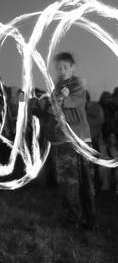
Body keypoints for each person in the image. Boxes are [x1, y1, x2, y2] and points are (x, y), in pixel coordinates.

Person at [50, 52, 95, 230]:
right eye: (58, 68)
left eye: (65, 67)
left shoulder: (78, 85)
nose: (61, 71)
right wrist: (58, 100)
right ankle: (72, 218)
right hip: (64, 139)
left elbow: (70, 102)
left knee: (84, 182)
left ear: (72, 67)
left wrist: (59, 100)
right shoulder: (57, 86)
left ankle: (88, 219)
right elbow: (54, 106)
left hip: (81, 139)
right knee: (68, 182)